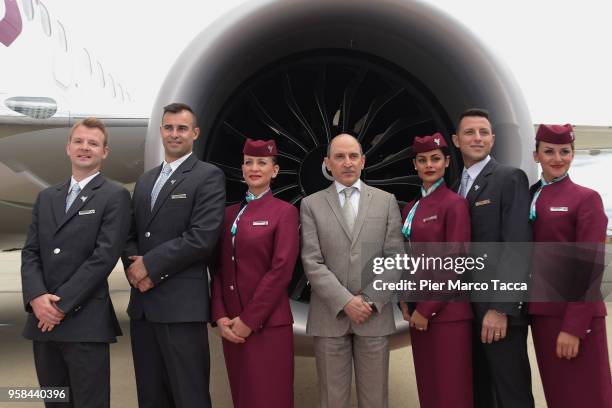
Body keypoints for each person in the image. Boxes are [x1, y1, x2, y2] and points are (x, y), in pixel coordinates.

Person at [21, 117, 131, 407]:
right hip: (43, 324)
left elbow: (103, 257)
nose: (85, 148)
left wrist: (57, 305)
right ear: (68, 147)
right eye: (79, 141)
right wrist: (36, 298)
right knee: (54, 402)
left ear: (104, 152)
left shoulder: (114, 195)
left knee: (88, 403)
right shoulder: (46, 197)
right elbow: (30, 252)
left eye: (93, 143)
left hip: (84, 323)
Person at [122, 103, 225, 408]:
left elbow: (201, 237)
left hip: (181, 307)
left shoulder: (207, 176)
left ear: (194, 133)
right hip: (143, 307)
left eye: (182, 128)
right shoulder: (145, 180)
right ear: (161, 131)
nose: (174, 134)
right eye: (169, 127)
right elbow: (130, 235)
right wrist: (133, 270)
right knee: (151, 397)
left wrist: (150, 267)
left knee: (189, 395)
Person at [300, 132, 404, 408]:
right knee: (332, 400)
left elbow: (394, 258)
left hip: (373, 316)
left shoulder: (386, 201)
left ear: (363, 161)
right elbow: (312, 261)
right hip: (329, 316)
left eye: (353, 156)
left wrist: (368, 300)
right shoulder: (311, 205)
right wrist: (346, 301)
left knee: (375, 400)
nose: (347, 163)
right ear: (327, 164)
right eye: (339, 157)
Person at [452, 108, 534, 407]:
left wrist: (501, 307)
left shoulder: (508, 178)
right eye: (470, 132)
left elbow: (517, 246)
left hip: (498, 314)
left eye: (483, 132)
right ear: (456, 140)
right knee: (479, 393)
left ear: (493, 139)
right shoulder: (454, 188)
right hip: (465, 312)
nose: (477, 138)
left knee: (511, 393)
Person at [210, 138, 299, 408]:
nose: (254, 168)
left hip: (267, 326)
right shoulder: (227, 215)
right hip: (232, 329)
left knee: (271, 398)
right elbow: (217, 268)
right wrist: (220, 315)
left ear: (275, 170)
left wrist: (249, 320)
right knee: (244, 398)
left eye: (262, 162)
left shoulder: (285, 212)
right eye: (249, 162)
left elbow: (281, 271)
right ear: (242, 168)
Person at [529, 123, 611, 407]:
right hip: (542, 316)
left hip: (576, 317)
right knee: (559, 396)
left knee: (588, 397)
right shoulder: (530, 196)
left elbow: (588, 267)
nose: (557, 158)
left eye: (565, 151)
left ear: (573, 154)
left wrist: (574, 327)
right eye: (549, 151)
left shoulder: (586, 199)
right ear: (536, 155)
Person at [398, 133, 473, 408]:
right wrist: (405, 299)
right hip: (420, 313)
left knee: (451, 393)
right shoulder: (411, 208)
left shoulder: (454, 204)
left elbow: (456, 262)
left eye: (435, 159)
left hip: (447, 313)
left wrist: (425, 308)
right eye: (422, 160)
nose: (429, 165)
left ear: (446, 162)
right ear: (415, 165)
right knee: (429, 390)